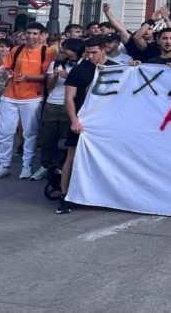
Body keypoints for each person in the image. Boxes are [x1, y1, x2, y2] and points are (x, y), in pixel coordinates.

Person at [0, 22, 53, 181]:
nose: (31, 36)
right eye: (28, 33)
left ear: (42, 35)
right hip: (9, 96)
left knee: (30, 133)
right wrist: (8, 73)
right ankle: (4, 165)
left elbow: (48, 76)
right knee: (4, 132)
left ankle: (27, 165)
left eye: (35, 33)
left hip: (32, 97)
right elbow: (8, 67)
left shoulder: (47, 52)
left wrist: (29, 77)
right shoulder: (16, 49)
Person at [60, 38, 118, 214]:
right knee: (71, 156)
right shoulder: (79, 70)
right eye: (88, 52)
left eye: (94, 52)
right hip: (83, 121)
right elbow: (69, 97)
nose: (91, 56)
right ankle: (64, 196)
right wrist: (74, 120)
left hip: (106, 123)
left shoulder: (116, 67)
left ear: (104, 50)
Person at [32, 38, 84, 181]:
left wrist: (69, 77)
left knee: (65, 139)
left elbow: (83, 88)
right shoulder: (56, 63)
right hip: (52, 103)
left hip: (71, 105)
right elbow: (49, 86)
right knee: (48, 137)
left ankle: (61, 167)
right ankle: (45, 165)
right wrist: (54, 76)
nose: (64, 51)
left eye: (67, 49)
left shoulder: (83, 65)